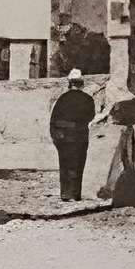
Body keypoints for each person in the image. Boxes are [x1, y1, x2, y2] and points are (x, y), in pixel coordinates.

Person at [48, 71, 95, 202]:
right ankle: (75, 193)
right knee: (78, 164)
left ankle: (65, 193)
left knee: (64, 164)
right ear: (82, 83)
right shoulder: (87, 99)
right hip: (79, 135)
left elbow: (54, 119)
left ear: (70, 83)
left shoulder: (62, 98)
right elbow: (91, 116)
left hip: (63, 136)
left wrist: (56, 136)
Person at [98, 90, 135, 208]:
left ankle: (114, 187)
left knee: (123, 159)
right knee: (125, 158)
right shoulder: (133, 102)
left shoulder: (124, 101)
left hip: (127, 128)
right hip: (128, 128)